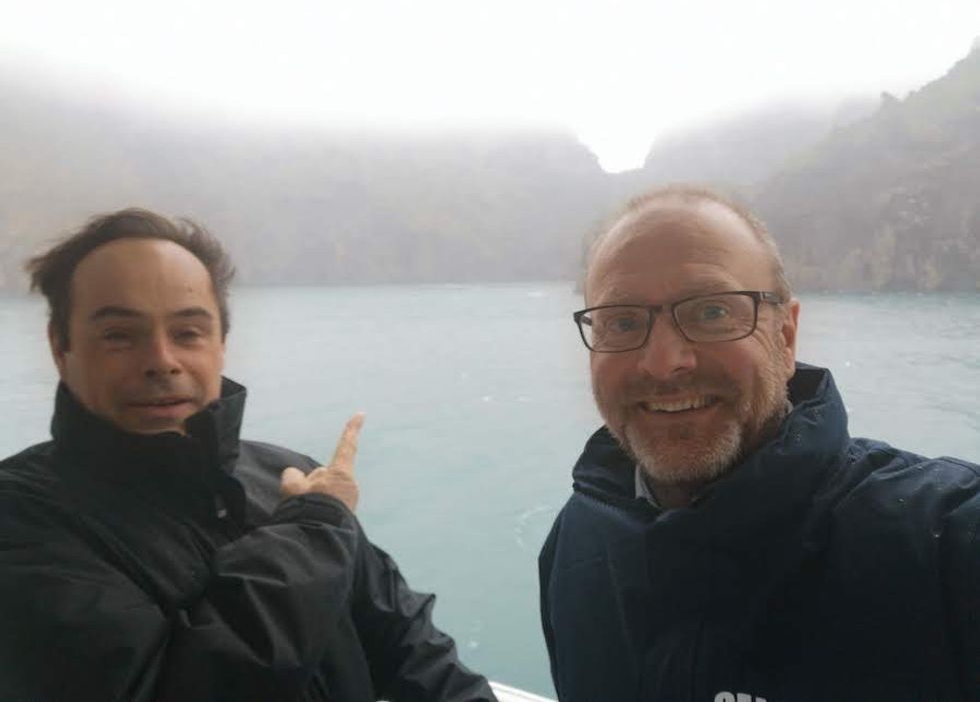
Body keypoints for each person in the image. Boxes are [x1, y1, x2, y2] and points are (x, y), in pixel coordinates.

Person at [0, 208, 497, 702]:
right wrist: (311, 533)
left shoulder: (287, 477)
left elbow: (411, 651)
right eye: (119, 335)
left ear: (221, 344)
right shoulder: (23, 518)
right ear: (61, 348)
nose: (161, 361)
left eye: (188, 332)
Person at [538, 185, 979, 701]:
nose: (663, 363)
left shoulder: (947, 547)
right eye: (622, 321)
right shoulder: (579, 540)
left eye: (711, 312)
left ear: (785, 337)